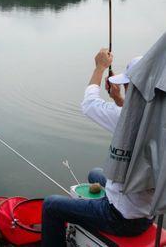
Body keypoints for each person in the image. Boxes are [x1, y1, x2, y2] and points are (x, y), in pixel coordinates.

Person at [41, 49, 152, 247]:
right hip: (147, 213)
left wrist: (99, 67)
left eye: (127, 84)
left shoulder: (124, 118)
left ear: (133, 86)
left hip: (121, 219)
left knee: (51, 205)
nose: (125, 87)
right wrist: (119, 100)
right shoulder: (157, 118)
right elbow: (134, 116)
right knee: (95, 174)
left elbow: (89, 104)